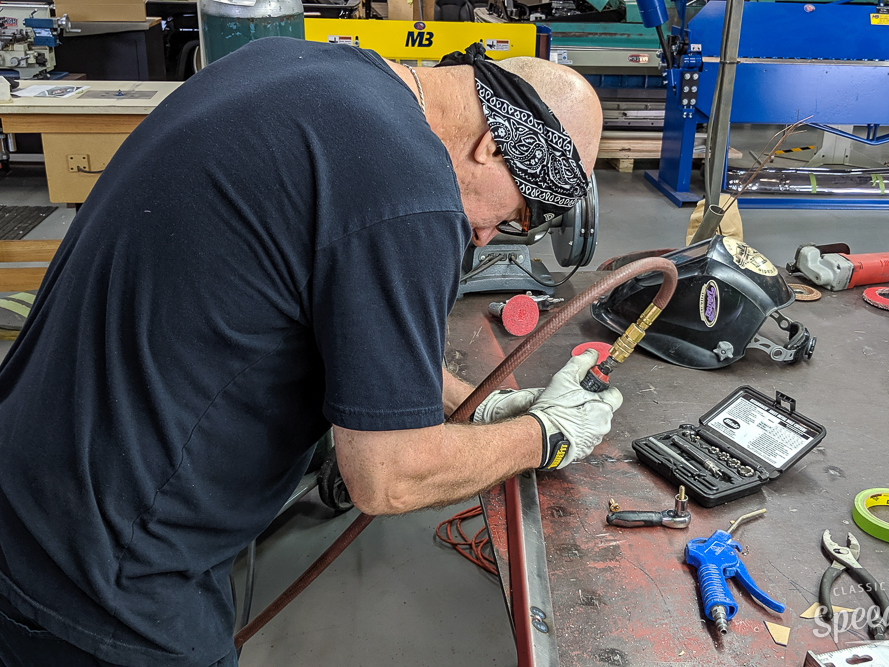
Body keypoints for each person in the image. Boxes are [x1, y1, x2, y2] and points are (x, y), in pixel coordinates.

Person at [0, 38, 621, 667]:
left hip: (30, 480)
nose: (486, 236)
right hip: (106, 572)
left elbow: (343, 317)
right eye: (515, 215)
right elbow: (389, 475)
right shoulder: (410, 187)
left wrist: (478, 407)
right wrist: (545, 437)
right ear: (491, 145)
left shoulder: (304, 69)